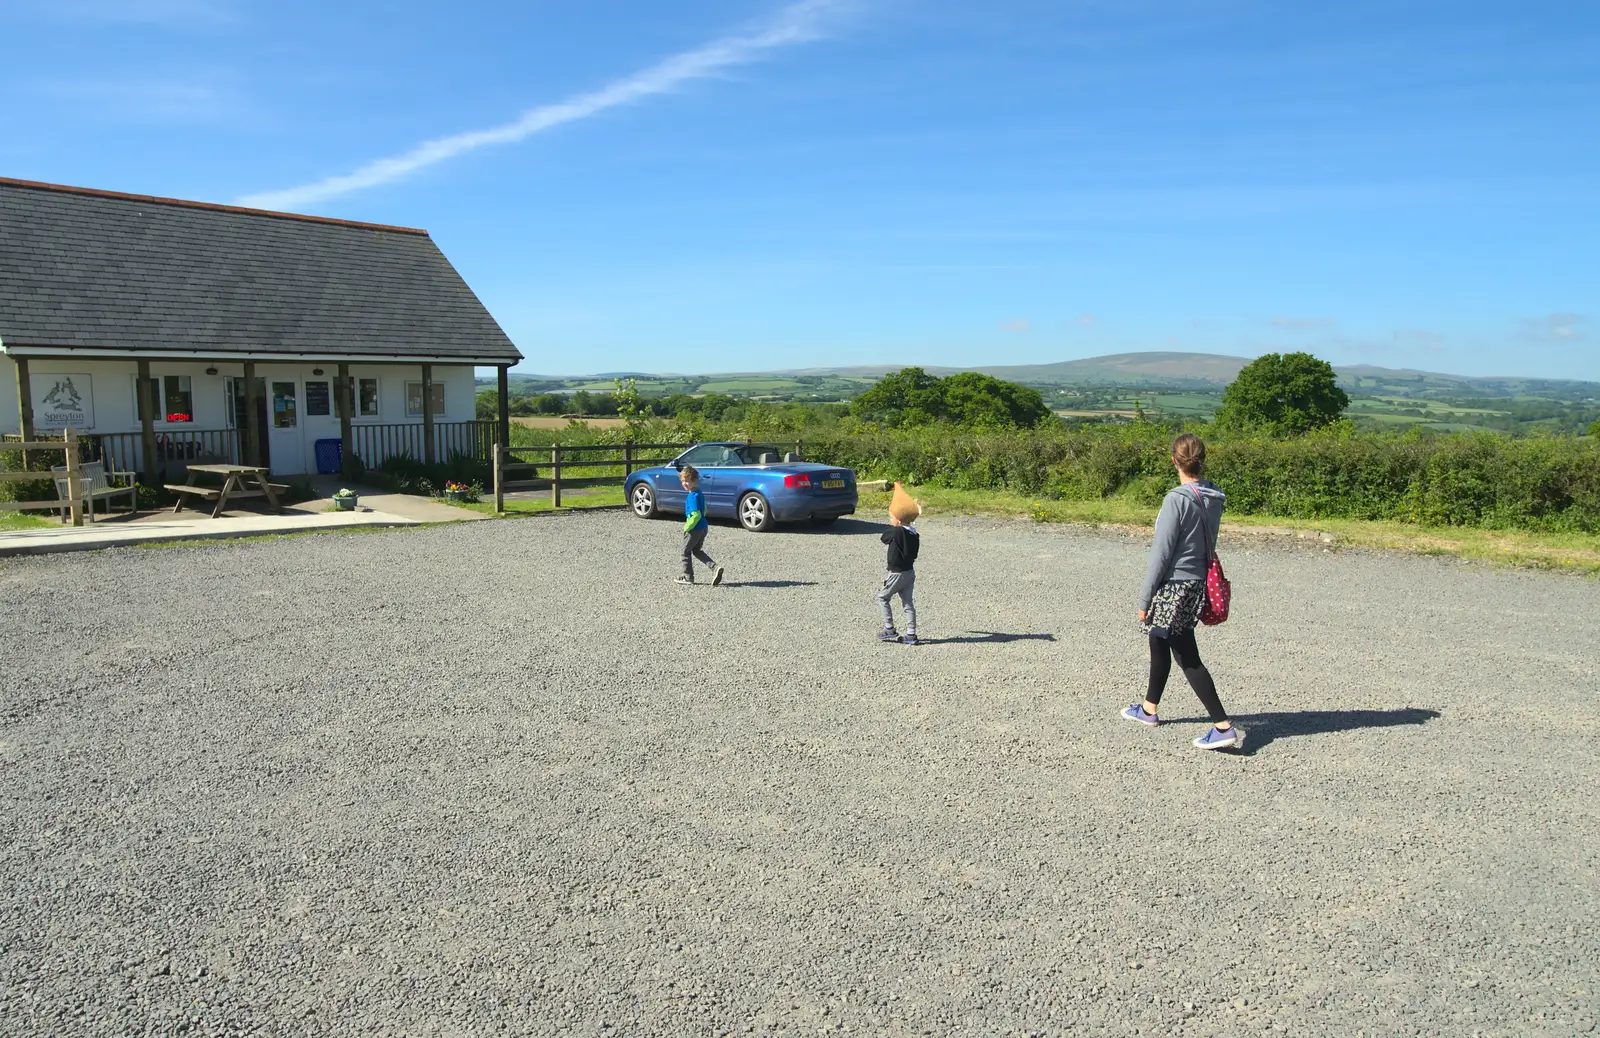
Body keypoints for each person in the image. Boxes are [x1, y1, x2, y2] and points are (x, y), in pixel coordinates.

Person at [1122, 434, 1243, 750]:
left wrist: (1144, 599)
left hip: (1174, 586)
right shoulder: (1213, 496)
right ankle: (1149, 709)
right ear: (1202, 460)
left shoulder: (1176, 499)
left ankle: (1222, 726)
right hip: (1195, 583)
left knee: (1187, 656)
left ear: (1174, 460)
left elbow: (1161, 554)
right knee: (1158, 637)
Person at [877, 483, 921, 644]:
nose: (890, 519)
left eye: (891, 516)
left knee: (883, 597)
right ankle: (911, 633)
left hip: (896, 573)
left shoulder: (896, 531)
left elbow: (884, 538)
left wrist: (894, 526)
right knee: (908, 602)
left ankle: (889, 628)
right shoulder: (914, 534)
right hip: (909, 572)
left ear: (898, 518)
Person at [676, 465, 724, 586]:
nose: (685, 483)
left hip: (695, 528)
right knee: (697, 551)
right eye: (683, 481)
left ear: (694, 481)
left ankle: (688, 576)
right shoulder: (699, 493)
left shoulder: (692, 496)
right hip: (703, 527)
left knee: (685, 551)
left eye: (687, 481)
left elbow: (696, 515)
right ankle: (715, 568)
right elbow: (704, 510)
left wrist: (687, 527)